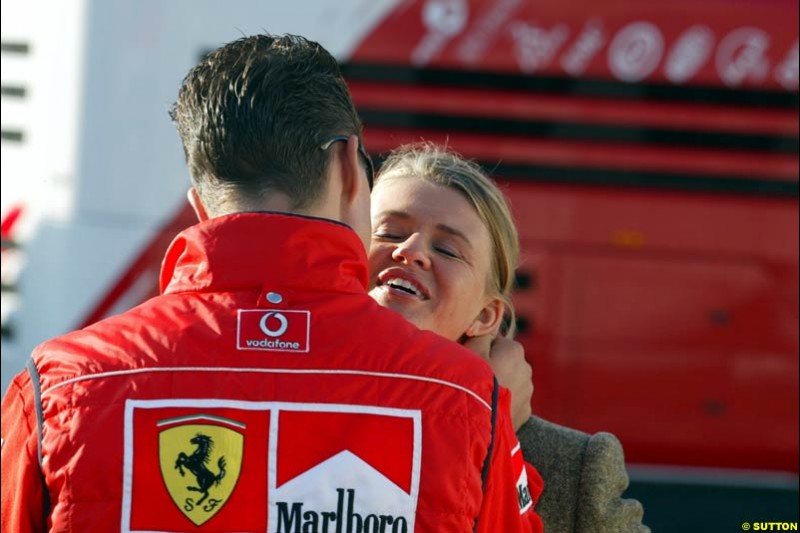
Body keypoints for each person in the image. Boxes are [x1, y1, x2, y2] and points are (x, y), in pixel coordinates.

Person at [0, 34, 543, 532]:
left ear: (200, 207)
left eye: (447, 248)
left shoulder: (59, 387)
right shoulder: (465, 402)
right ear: (352, 170)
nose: (411, 253)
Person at [368, 143, 651, 533]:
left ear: (486, 317)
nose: (410, 250)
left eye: (447, 249)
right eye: (387, 232)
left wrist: (488, 430)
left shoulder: (573, 466)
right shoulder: (264, 400)